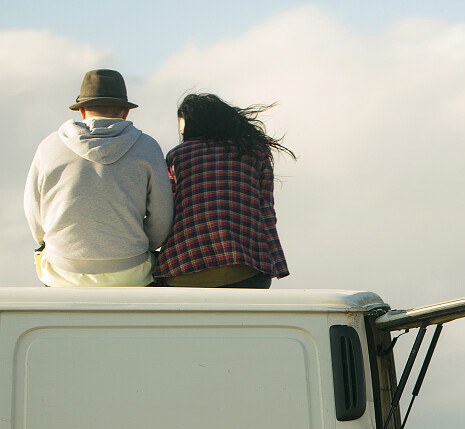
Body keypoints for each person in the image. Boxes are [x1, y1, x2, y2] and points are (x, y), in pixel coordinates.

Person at [24, 69, 173, 287]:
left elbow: (34, 213)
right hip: (130, 271)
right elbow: (161, 220)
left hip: (62, 271)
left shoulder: (48, 146)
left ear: (82, 111)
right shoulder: (147, 147)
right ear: (125, 112)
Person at [154, 93, 293, 288]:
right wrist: (273, 262)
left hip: (183, 268)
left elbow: (166, 213)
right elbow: (266, 211)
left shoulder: (178, 156)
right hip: (247, 268)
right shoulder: (255, 152)